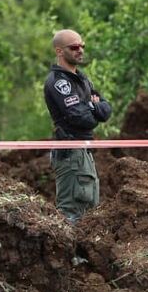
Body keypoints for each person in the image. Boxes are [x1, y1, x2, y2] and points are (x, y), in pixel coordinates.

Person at [43, 29, 112, 222]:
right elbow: (81, 118)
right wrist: (93, 106)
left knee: (89, 211)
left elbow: (107, 109)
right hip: (71, 152)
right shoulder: (58, 82)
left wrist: (92, 107)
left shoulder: (82, 79)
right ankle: (69, 253)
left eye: (82, 46)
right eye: (74, 47)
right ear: (59, 51)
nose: (80, 50)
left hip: (84, 152)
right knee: (72, 213)